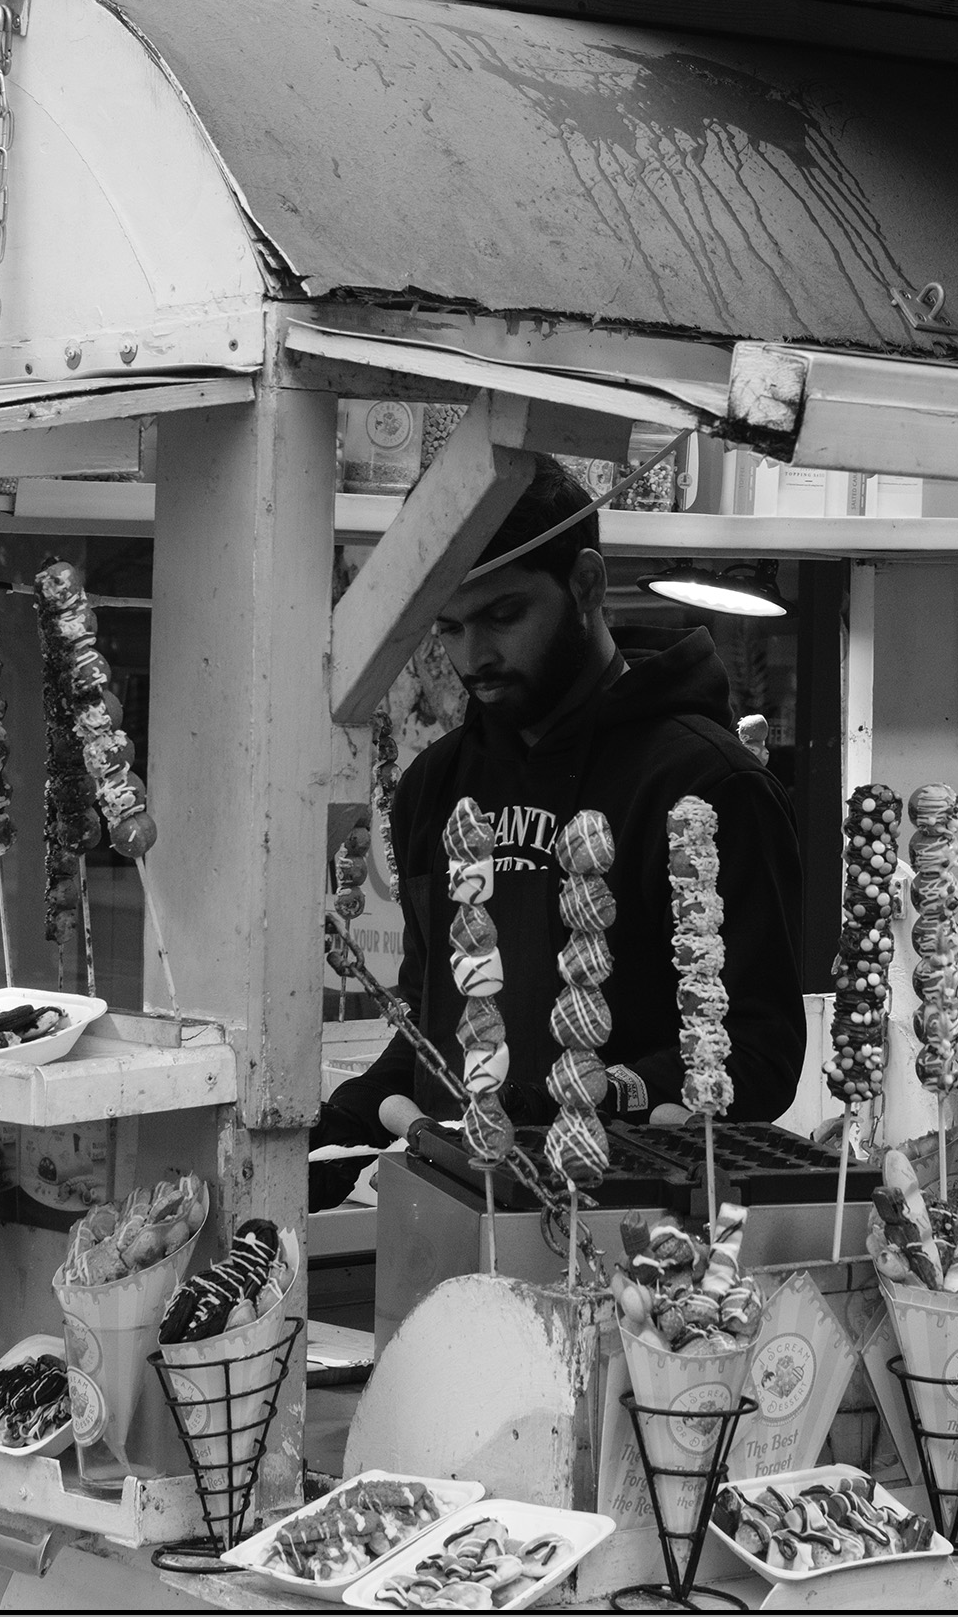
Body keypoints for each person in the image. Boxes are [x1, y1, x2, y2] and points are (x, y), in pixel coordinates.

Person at [320, 456, 806, 1163]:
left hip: (629, 1224)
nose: (473, 655)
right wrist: (345, 1123)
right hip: (455, 1203)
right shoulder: (435, 786)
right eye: (448, 628)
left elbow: (758, 1055)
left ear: (585, 584)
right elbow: (436, 1022)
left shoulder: (708, 785)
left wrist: (608, 1092)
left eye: (502, 615)